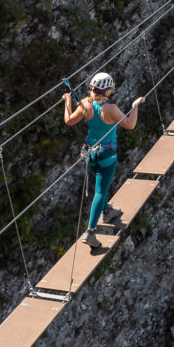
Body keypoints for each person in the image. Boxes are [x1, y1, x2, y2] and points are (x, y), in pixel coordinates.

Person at [63, 71, 145, 248]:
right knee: (100, 190)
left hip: (89, 154)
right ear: (107, 91)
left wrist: (67, 102)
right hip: (107, 154)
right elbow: (130, 125)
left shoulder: (85, 104)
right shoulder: (111, 109)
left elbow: (69, 120)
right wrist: (135, 105)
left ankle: (107, 211)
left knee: (101, 183)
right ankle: (90, 232)